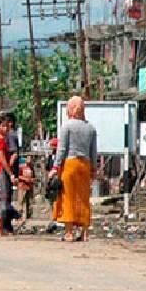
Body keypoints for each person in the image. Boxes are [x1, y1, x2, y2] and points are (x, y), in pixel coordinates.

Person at [51, 95, 98, 242]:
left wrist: (55, 166)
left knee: (68, 197)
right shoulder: (90, 128)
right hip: (85, 165)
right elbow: (93, 151)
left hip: (70, 165)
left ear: (70, 109)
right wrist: (94, 169)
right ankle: (84, 233)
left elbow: (62, 149)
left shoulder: (67, 126)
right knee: (84, 198)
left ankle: (69, 232)